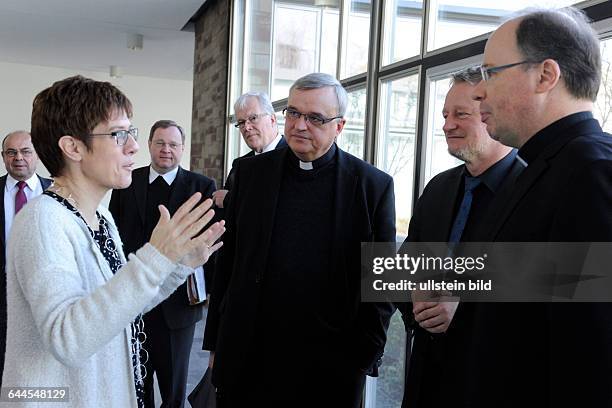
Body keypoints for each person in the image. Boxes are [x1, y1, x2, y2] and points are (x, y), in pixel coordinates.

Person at [1, 75, 224, 407]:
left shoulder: (98, 217)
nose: (133, 146)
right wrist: (155, 256)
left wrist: (178, 266)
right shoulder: (43, 220)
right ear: (73, 147)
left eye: (130, 133)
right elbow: (68, 338)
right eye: (118, 134)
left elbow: (123, 307)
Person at [204, 72, 395, 408]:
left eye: (315, 118)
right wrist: (216, 343)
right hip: (250, 356)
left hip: (330, 365)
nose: (300, 125)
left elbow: (382, 281)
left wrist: (365, 354)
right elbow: (229, 263)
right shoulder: (250, 175)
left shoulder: (371, 186)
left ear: (339, 126)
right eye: (293, 113)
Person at [469, 7, 612, 406]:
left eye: (490, 73)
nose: (479, 90)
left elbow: (591, 355)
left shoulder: (591, 172)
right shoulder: (548, 166)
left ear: (546, 76)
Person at [397, 67, 523, 408]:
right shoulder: (438, 188)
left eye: (460, 114)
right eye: (445, 115)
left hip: (493, 381)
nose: (447, 125)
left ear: (490, 114)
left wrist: (464, 306)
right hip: (427, 375)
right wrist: (415, 294)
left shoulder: (531, 191)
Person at [110, 119, 217, 408]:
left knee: (173, 389)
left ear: (182, 149)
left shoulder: (202, 186)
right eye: (160, 143)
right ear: (149, 145)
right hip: (133, 299)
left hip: (179, 304)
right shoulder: (127, 181)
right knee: (136, 382)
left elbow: (210, 244)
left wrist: (206, 291)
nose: (166, 150)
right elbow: (114, 235)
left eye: (173, 144)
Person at [0, 130, 51, 385]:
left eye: (25, 151)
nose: (18, 157)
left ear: (37, 155)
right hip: (3, 295)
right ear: (3, 157)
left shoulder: (58, 193)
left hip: (44, 294)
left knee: (40, 368)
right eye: (11, 152)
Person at [212, 91, 286, 209]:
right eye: (241, 122)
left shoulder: (295, 155)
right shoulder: (240, 164)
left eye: (253, 118)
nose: (247, 127)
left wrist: (230, 199)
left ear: (272, 119)